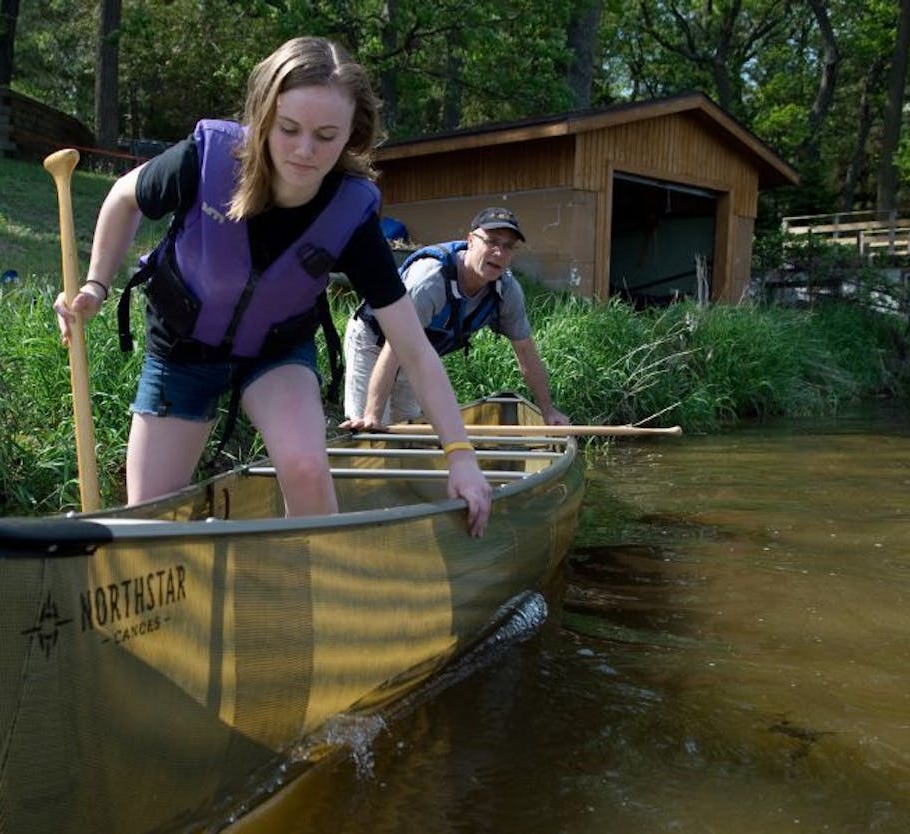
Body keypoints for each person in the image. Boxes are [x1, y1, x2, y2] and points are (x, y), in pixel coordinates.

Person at [53, 36, 491, 535]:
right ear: (263, 117)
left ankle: (305, 596)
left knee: (306, 467)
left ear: (352, 134)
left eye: (327, 136)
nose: (305, 151)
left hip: (276, 351)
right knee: (150, 515)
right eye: (289, 129)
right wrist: (95, 285)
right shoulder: (205, 159)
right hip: (182, 347)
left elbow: (414, 349)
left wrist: (460, 457)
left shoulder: (351, 216)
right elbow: (122, 197)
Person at [341, 207, 570, 430]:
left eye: (508, 246)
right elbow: (393, 349)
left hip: (415, 353)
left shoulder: (507, 291)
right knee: (373, 430)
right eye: (491, 241)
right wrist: (372, 415)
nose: (499, 252)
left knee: (409, 426)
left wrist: (548, 411)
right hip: (374, 341)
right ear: (471, 240)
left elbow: (526, 353)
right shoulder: (431, 280)